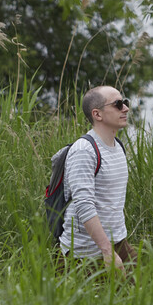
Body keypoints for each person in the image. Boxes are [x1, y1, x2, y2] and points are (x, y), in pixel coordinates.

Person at [59, 85, 137, 275]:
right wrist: (107, 251)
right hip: (85, 253)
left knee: (145, 296)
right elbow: (84, 205)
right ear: (97, 114)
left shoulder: (118, 146)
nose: (125, 108)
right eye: (118, 104)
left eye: (125, 102)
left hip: (118, 242)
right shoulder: (84, 150)